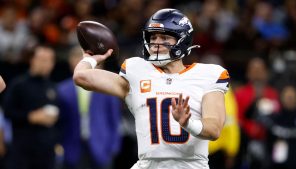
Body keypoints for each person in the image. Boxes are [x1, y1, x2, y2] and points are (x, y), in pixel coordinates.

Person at [73, 8, 229, 169]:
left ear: (183, 40)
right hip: (148, 165)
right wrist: (91, 59)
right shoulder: (137, 71)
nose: (156, 43)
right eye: (153, 37)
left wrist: (188, 123)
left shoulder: (208, 75)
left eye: (164, 37)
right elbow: (81, 77)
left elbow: (214, 129)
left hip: (190, 165)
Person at [58, 46, 122, 169]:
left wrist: (114, 147)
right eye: (77, 60)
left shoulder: (107, 87)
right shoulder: (62, 90)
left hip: (102, 147)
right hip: (72, 149)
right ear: (71, 62)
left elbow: (115, 118)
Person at [3, 45, 60, 169]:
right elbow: (7, 112)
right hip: (22, 152)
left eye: (50, 60)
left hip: (46, 152)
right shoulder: (18, 85)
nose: (46, 64)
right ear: (32, 60)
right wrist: (30, 117)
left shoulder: (53, 87)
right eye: (42, 59)